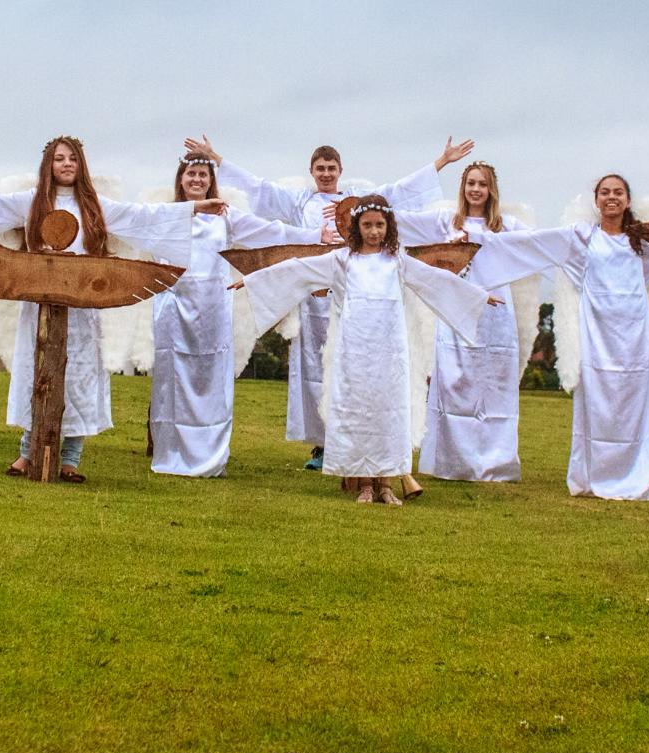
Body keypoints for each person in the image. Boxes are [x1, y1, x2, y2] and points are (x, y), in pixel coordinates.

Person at [0, 136, 225, 482]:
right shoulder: (33, 202)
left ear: (80, 164)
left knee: (78, 379)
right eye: (59, 158)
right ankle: (28, 451)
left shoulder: (93, 204)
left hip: (82, 308)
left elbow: (142, 216)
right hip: (39, 302)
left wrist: (192, 208)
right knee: (37, 374)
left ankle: (70, 458)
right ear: (49, 165)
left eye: (72, 158)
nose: (67, 164)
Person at [181, 134, 471, 471]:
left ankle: (359, 441)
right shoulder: (300, 201)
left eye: (331, 167)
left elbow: (399, 191)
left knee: (355, 368)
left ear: (340, 169)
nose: (326, 173)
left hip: (357, 295)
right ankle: (322, 445)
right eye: (320, 168)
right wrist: (214, 156)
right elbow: (258, 188)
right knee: (315, 370)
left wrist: (442, 161)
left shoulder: (357, 201)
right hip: (314, 296)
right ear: (312, 170)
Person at [467, 173, 649, 501]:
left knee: (634, 407)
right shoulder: (583, 237)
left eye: (618, 192)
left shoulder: (644, 243)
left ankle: (637, 476)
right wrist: (479, 245)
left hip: (635, 338)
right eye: (605, 192)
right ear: (597, 200)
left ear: (628, 200)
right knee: (597, 406)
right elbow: (534, 245)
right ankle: (595, 475)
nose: (611, 198)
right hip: (597, 336)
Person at [236, 195, 496, 504]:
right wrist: (252, 281)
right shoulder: (343, 261)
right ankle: (365, 485)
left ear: (389, 227)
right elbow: (298, 270)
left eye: (379, 225)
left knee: (389, 414)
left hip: (390, 353)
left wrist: (477, 297)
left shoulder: (398, 261)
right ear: (357, 227)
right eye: (367, 225)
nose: (374, 231)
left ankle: (385, 484)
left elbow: (434, 280)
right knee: (358, 414)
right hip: (355, 352)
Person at [148, 153, 333, 477]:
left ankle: (209, 456)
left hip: (213, 309)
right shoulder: (167, 215)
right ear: (181, 178)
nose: (197, 180)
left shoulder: (225, 217)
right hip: (174, 310)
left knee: (213, 380)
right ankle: (171, 452)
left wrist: (313, 236)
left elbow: (270, 232)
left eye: (203, 175)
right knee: (173, 382)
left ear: (211, 181)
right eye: (191, 174)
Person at [395, 161, 539, 483]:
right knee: (454, 385)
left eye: (482, 184)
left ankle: (494, 463)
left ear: (491, 190)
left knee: (493, 390)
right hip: (455, 315)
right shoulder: (446, 222)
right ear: (463, 187)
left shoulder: (507, 226)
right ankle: (452, 462)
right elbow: (400, 223)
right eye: (471, 183)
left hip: (496, 317)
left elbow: (539, 246)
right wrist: (359, 210)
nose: (476, 189)